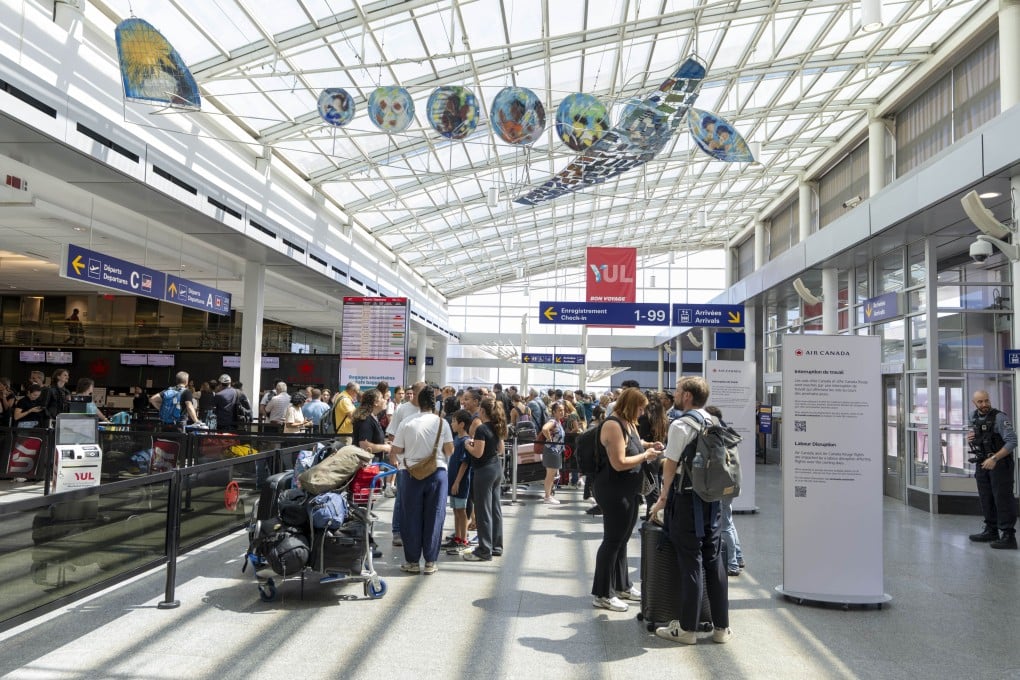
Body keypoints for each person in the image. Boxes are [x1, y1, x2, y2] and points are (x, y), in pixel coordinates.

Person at [649, 376, 731, 644]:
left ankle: (687, 629)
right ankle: (721, 628)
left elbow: (670, 465)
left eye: (678, 390)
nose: (674, 393)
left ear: (687, 396)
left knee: (691, 561)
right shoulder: (715, 421)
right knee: (714, 560)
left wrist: (662, 498)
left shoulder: (681, 425)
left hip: (686, 500)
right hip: (714, 502)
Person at [590, 388, 662, 612]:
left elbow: (633, 443)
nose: (642, 413)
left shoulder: (628, 423)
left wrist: (648, 446)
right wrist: (646, 456)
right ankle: (602, 593)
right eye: (640, 408)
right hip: (613, 490)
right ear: (631, 405)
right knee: (612, 541)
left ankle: (622, 585)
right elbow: (619, 462)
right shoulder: (612, 425)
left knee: (621, 540)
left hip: (627, 490)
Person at [389, 385, 453, 575]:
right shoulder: (443, 423)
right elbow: (449, 450)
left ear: (418, 402)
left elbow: (397, 450)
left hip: (410, 474)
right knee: (435, 516)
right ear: (434, 404)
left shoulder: (406, 422)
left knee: (411, 517)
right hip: (437, 473)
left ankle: (412, 562)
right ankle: (431, 562)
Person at [967, 390, 1017, 549]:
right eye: (980, 402)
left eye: (986, 401)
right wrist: (972, 437)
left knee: (1002, 498)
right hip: (982, 463)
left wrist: (994, 458)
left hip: (1000, 464)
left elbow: (1012, 442)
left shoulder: (1000, 417)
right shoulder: (972, 416)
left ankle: (1008, 535)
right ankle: (991, 530)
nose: (984, 404)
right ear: (974, 403)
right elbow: (981, 435)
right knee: (986, 498)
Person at [463, 397, 506, 562]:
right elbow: (500, 449)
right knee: (495, 509)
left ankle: (484, 549)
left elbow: (478, 453)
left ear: (482, 411)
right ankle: (496, 546)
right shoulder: (497, 427)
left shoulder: (481, 429)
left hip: (484, 471)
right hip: (496, 468)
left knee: (483, 510)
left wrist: (468, 444)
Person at [705, 405, 744, 575]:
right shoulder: (728, 434)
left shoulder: (716, 436)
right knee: (729, 521)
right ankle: (738, 557)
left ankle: (732, 563)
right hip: (731, 483)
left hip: (722, 485)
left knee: (725, 524)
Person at [445, 409, 473, 554]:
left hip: (460, 482)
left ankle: (464, 539)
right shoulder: (457, 439)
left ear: (462, 424)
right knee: (456, 510)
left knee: (461, 511)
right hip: (453, 480)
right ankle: (457, 537)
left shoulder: (465, 441)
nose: (452, 423)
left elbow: (464, 463)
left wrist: (457, 482)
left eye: (454, 421)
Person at [541, 401, 566, 504]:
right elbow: (544, 429)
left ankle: (548, 495)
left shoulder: (559, 422)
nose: (562, 412)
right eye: (560, 410)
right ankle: (547, 496)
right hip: (552, 451)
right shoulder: (553, 421)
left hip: (556, 451)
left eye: (563, 410)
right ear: (554, 412)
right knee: (550, 475)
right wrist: (549, 439)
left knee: (552, 475)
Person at [354, 389, 390, 461]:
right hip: (368, 466)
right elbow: (364, 446)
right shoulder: (366, 420)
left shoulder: (373, 417)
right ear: (375, 402)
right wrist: (385, 447)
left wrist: (383, 442)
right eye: (382, 398)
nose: (385, 400)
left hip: (374, 464)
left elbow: (372, 439)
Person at [332, 382, 359, 446]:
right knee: (345, 453)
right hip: (344, 434)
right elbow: (352, 416)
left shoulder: (342, 396)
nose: (357, 394)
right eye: (357, 391)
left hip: (343, 432)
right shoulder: (345, 400)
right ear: (352, 391)